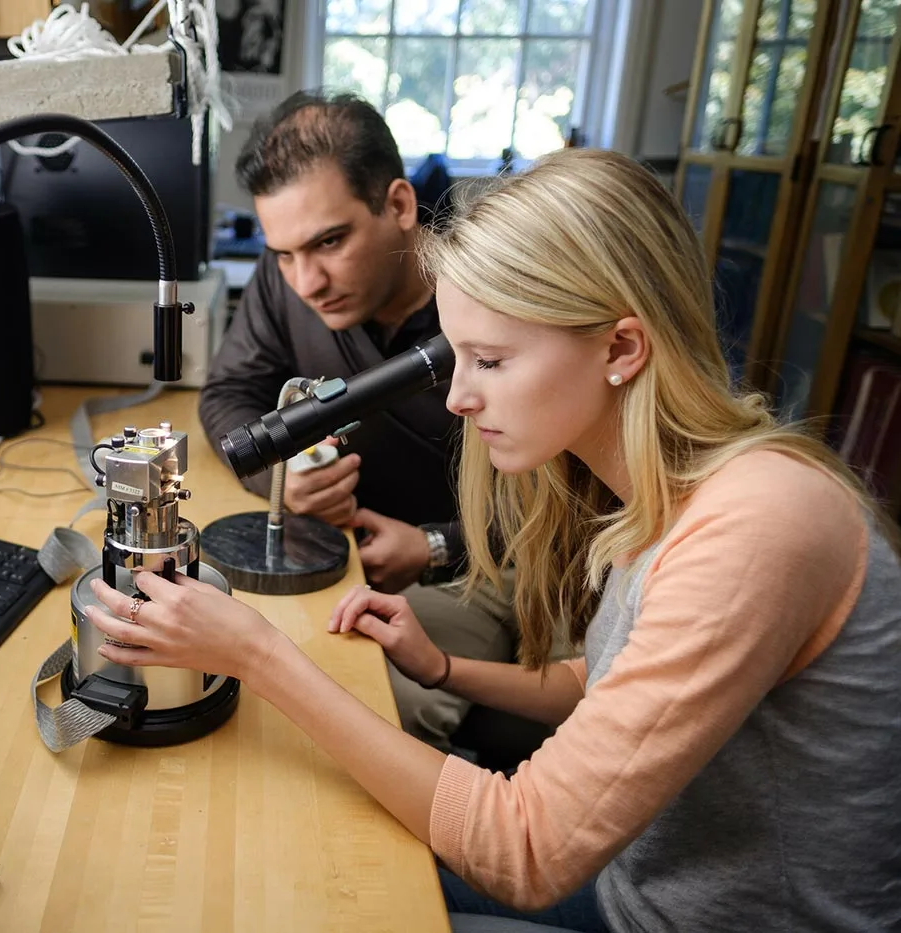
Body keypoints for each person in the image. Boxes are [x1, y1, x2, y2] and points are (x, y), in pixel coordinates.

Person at [85, 148, 901, 931]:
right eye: (457, 358)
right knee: (294, 847)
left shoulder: (757, 523)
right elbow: (602, 679)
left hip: (672, 916)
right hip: (632, 885)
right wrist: (442, 668)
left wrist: (257, 656)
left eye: (493, 360)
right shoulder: (661, 489)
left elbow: (527, 851)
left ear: (620, 347)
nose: (458, 399)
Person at [199, 90, 526, 756]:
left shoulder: (495, 298)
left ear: (399, 206)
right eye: (284, 254)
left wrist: (434, 544)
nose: (306, 282)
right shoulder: (288, 271)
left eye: (330, 241)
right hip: (339, 559)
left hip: (478, 568)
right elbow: (229, 392)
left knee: (335, 702)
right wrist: (285, 476)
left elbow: (572, 502)